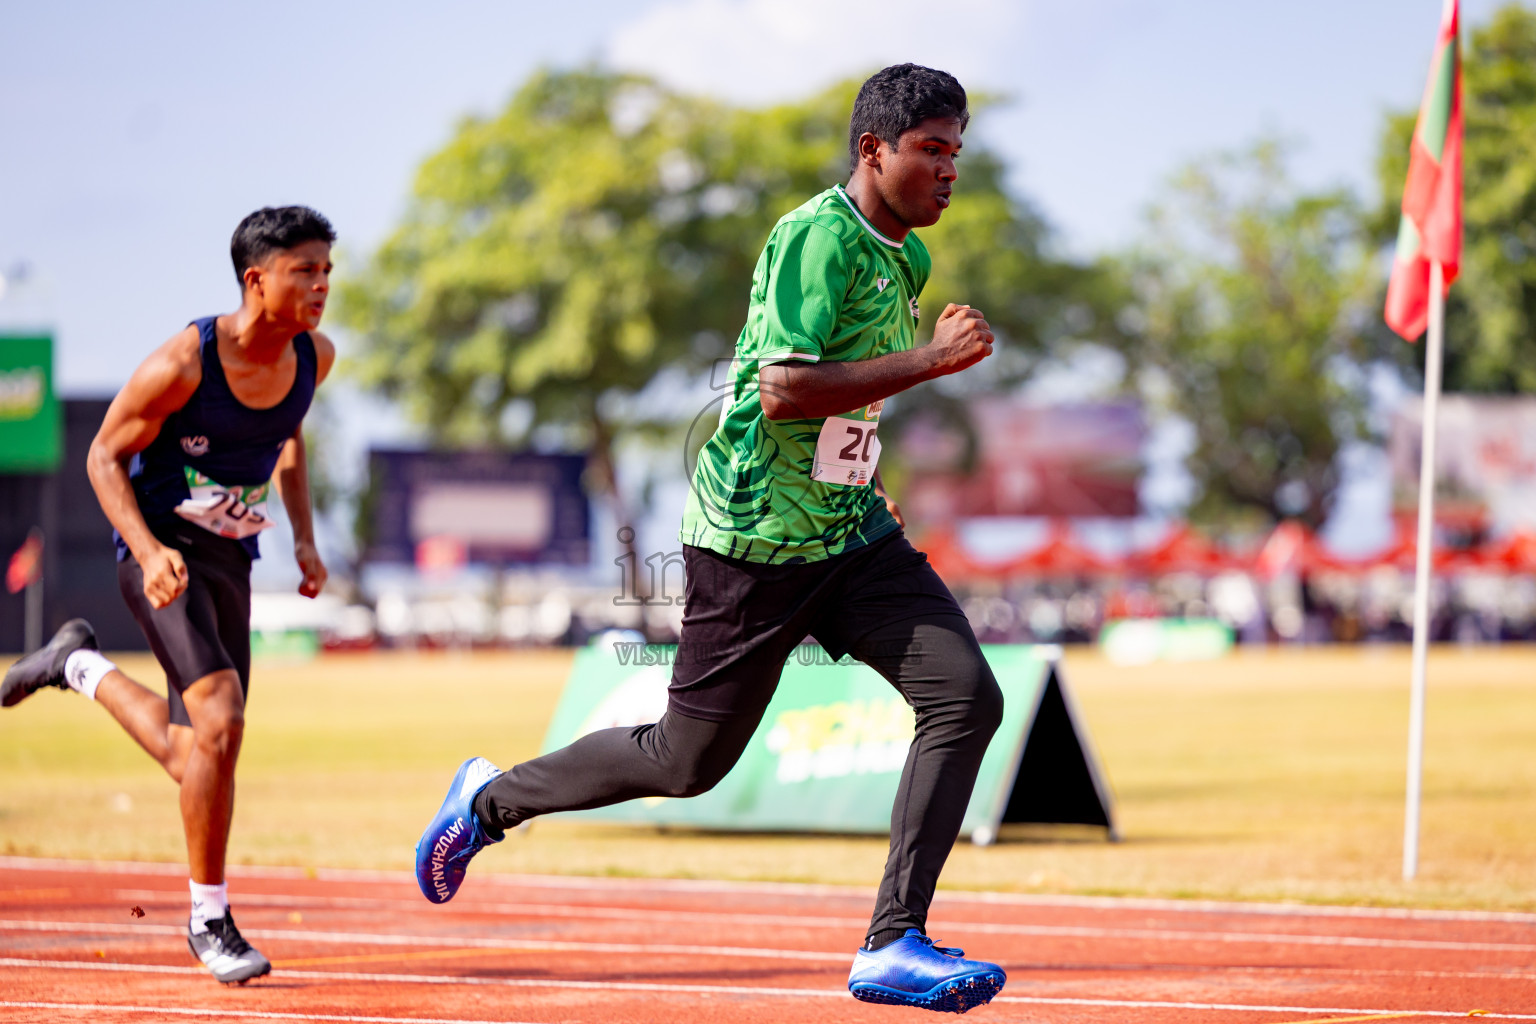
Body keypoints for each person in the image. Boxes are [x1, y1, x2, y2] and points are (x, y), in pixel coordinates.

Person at [415, 65, 1006, 1013]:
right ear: (873, 150)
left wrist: (874, 484)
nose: (947, 171)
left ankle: (892, 942)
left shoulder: (905, 260)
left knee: (966, 697)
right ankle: (489, 800)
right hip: (753, 544)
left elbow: (850, 404)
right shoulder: (817, 237)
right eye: (931, 151)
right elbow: (783, 388)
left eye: (956, 153)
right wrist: (934, 358)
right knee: (684, 763)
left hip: (850, 539)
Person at [1, 206, 336, 985]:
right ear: (256, 280)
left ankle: (75, 666)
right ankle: (208, 920)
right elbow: (102, 457)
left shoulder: (315, 358)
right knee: (222, 720)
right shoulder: (186, 362)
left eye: (326, 270)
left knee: (198, 755)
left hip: (231, 561)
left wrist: (306, 537)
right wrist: (148, 551)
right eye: (304, 271)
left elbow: (288, 436)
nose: (321, 286)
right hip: (163, 558)